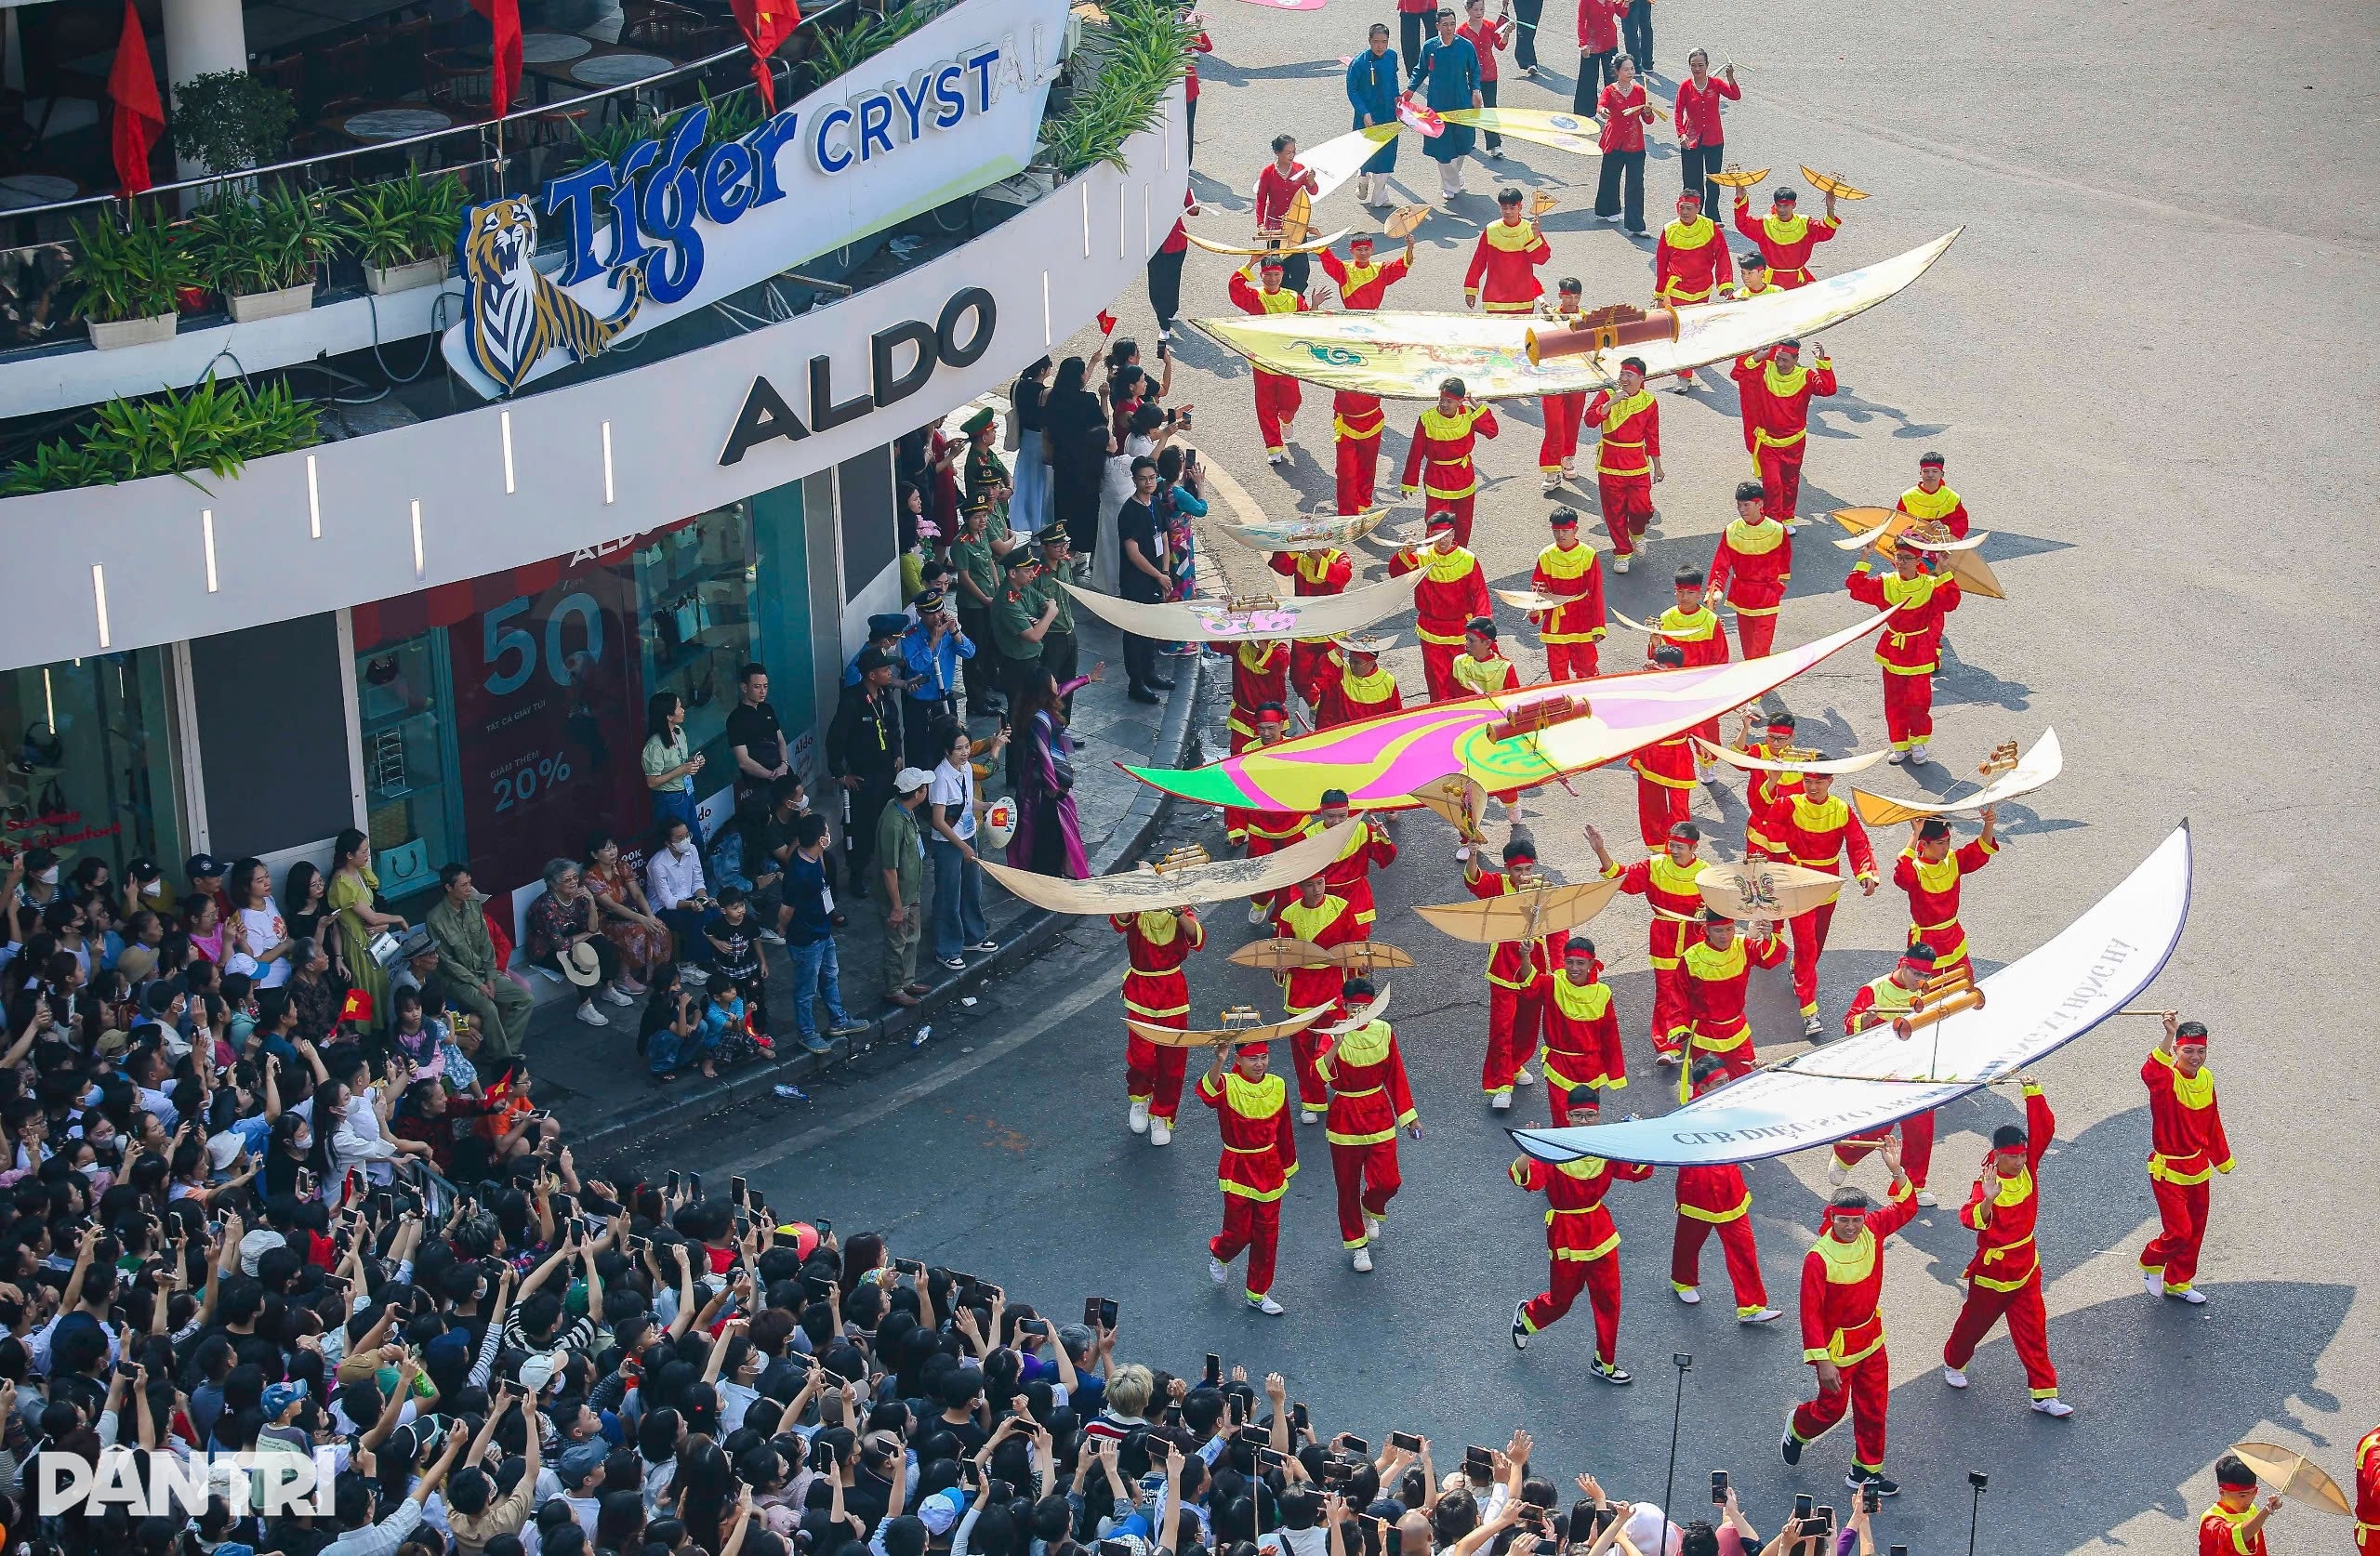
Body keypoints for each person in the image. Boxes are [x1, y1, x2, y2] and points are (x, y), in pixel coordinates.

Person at [1782, 1137, 1918, 1497]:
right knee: (1831, 1411)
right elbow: (1809, 1313)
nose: (1852, 1227)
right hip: (1837, 1348)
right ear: (1832, 1217)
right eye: (1844, 1220)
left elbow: (1906, 1207)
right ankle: (1798, 1426)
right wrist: (1821, 1361)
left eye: (1856, 1220)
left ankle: (1865, 1471)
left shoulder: (1872, 1229)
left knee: (1874, 1406)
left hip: (1871, 1337)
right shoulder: (1818, 1257)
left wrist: (1896, 1170)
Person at [1941, 1077, 2072, 1416]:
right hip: (1994, 1272)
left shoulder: (2030, 1168)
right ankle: (1954, 1361)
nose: (2021, 1161)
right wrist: (1988, 1202)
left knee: (2034, 1330)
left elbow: (2044, 1127)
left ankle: (2043, 1394)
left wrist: (2033, 1091)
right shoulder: (1986, 1182)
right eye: (2013, 1157)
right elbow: (1969, 1218)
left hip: (2026, 1264)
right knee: (1974, 1323)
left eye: (2024, 1154)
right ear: (1998, 1155)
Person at [1506, 1106, 1653, 1378]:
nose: (1584, 1120)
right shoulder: (1552, 1149)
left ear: (1598, 1116)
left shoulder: (1605, 1146)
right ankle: (1527, 1317)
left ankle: (1604, 1362)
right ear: (1568, 1117)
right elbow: (1525, 1180)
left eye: (1590, 1115)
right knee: (1562, 1300)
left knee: (1610, 1299)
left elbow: (1636, 1172)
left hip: (1600, 1230)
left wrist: (1640, 1138)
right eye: (1577, 1115)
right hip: (1566, 1232)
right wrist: (1529, 1151)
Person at [1756, 765, 1879, 1036]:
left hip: (1827, 884)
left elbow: (1858, 843)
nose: (1812, 787)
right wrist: (1781, 872)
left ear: (1830, 781)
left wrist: (1865, 873)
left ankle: (1799, 970)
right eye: (1807, 781)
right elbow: (1767, 826)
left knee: (1815, 942)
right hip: (1798, 884)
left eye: (1818, 782)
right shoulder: (1788, 804)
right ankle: (1809, 1010)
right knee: (1808, 945)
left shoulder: (1842, 809)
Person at [1670, 1054, 1783, 1323]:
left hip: (1730, 1187)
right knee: (1689, 1242)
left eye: (1727, 1080)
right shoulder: (1689, 1114)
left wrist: (1760, 1077)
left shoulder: (1731, 1101)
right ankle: (1682, 1281)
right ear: (1704, 1088)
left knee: (1744, 1248)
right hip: (1698, 1188)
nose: (1727, 1085)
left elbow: (1763, 1110)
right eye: (1720, 1083)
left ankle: (1751, 1306)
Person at [1316, 976, 1419, 1272]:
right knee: (1346, 1187)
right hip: (1345, 1117)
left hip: (1378, 1114)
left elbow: (1396, 1075)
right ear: (1344, 1005)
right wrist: (1336, 1042)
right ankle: (1357, 1246)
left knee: (1389, 1181)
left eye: (1364, 1007)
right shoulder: (1332, 1032)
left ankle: (1370, 1208)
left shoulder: (1384, 1031)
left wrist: (1409, 1118)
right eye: (1353, 1007)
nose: (1358, 1012)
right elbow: (1320, 1075)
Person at [1829, 943, 1945, 1199]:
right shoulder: (1874, 990)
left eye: (1927, 976)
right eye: (1917, 974)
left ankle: (1910, 1188)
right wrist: (1866, 1019)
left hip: (1916, 1068)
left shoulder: (1928, 991)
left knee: (1921, 1129)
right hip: (1882, 1067)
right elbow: (1849, 1024)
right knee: (1880, 1127)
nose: (1922, 981)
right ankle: (1844, 1155)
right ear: (1903, 966)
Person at [1586, 818, 1705, 1062]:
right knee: (1666, 991)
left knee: (1696, 989)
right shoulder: (1655, 865)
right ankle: (1667, 1046)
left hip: (1695, 938)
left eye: (1679, 847)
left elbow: (1720, 904)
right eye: (1671, 845)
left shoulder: (1706, 872)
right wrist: (1600, 850)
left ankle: (1698, 1041)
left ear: (1694, 849)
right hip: (1664, 936)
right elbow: (1624, 879)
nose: (1673, 851)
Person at [2139, 1012, 2233, 1305]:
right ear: (2176, 1051)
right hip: (2169, 1169)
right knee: (2180, 1231)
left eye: (2201, 1051)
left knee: (2196, 1229)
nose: (2195, 1057)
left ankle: (2179, 1281)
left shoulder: (2206, 1078)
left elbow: (2212, 1120)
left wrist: (2221, 1157)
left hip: (2198, 1167)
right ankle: (2152, 1262)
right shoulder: (2167, 1080)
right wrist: (2169, 1034)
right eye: (2188, 1050)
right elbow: (2150, 1072)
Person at [1199, 1037, 1298, 1315]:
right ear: (1239, 1060)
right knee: (1239, 1233)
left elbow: (1285, 1128)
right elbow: (1208, 1095)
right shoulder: (1228, 1083)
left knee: (1267, 1236)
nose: (1260, 1064)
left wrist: (1287, 1165)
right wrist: (1218, 1060)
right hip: (1238, 1166)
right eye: (1253, 1059)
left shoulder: (1277, 1084)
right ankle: (1220, 1253)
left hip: (1269, 1167)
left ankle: (1258, 1292)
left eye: (1264, 1057)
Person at [1318, 230, 1414, 511]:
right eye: (1359, 249)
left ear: (1372, 250)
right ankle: (1348, 508)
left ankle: (1364, 501)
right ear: (1352, 251)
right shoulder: (1345, 271)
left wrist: (1409, 247)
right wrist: (1319, 239)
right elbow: (1328, 260)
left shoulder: (1379, 270)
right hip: (1350, 331)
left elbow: (1402, 266)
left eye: (1367, 249)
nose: (1363, 253)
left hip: (1373, 332)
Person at [1463, 834, 1560, 1109]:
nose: (1523, 875)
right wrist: (1472, 855)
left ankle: (1516, 1065)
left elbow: (1556, 927)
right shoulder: (1497, 884)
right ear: (1507, 868)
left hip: (1535, 965)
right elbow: (1475, 881)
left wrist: (1560, 966)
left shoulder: (1544, 888)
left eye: (1528, 869)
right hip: (1504, 967)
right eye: (1517, 870)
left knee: (1528, 1025)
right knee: (1502, 1028)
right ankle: (1500, 1085)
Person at [1845, 530, 1959, 762]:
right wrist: (1866, 555)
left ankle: (1918, 743)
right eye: (1899, 557)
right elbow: (1856, 588)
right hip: (1894, 648)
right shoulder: (1886, 582)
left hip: (1920, 650)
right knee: (1894, 700)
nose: (1901, 562)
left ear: (1919, 562)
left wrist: (1944, 568)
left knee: (1919, 701)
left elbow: (1951, 602)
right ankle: (1899, 744)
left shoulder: (1929, 585)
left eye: (1907, 558)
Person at [1273, 874, 1363, 1118]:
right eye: (1310, 885)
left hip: (1334, 988)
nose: (1316, 890)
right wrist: (1279, 966)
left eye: (1320, 883)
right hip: (1300, 992)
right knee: (1303, 1051)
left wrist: (1360, 966)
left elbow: (1354, 946)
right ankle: (1311, 1101)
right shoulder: (1288, 915)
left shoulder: (1341, 908)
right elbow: (1282, 952)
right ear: (1300, 887)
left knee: (1337, 1041)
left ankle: (1339, 1085)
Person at [1115, 902, 1205, 1147]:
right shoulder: (1136, 909)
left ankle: (1162, 1115)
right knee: (1141, 1056)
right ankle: (1140, 1097)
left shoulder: (1181, 910)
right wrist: (1135, 892)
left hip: (1172, 992)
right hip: (1141, 991)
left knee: (1172, 1060)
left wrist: (1176, 911)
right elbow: (1119, 919)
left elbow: (1197, 938)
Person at [425, 864, 534, 1062]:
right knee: (489, 1008)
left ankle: (504, 1050)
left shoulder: (474, 904)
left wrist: (491, 977)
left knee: (525, 998)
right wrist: (478, 984)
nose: (469, 889)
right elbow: (448, 963)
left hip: (483, 974)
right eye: (464, 885)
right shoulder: (435, 919)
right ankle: (505, 1058)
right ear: (449, 888)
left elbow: (486, 946)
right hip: (458, 980)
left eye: (470, 884)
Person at [784, 812, 867, 1054]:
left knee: (830, 976)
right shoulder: (798, 872)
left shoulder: (815, 860)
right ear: (820, 839)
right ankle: (807, 1032)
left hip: (822, 931)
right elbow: (786, 910)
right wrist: (783, 929)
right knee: (806, 989)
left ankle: (838, 1021)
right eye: (826, 832)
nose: (830, 835)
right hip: (806, 939)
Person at [1732, 336, 1836, 529]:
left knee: (1790, 483)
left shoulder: (1806, 376)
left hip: (1794, 443)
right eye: (1777, 358)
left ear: (1796, 359)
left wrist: (1822, 362)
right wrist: (1756, 358)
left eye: (1785, 360)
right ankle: (1773, 523)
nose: (1779, 363)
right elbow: (1738, 374)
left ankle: (1787, 518)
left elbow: (1828, 389)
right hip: (1768, 443)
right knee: (1772, 485)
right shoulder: (1765, 369)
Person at [1677, 911, 1784, 1096]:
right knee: (1708, 1090)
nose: (1725, 936)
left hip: (1737, 1031)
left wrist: (1768, 936)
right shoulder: (1692, 958)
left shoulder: (1742, 946)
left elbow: (1771, 960)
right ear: (1706, 930)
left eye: (1729, 929)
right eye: (1718, 930)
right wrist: (1677, 1026)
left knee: (1748, 1082)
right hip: (1706, 1035)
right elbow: (1676, 995)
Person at [926, 718, 1002, 972]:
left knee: (972, 888)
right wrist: (962, 846)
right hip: (950, 844)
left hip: (968, 836)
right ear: (947, 751)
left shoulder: (967, 769)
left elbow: (968, 803)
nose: (965, 752)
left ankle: (973, 937)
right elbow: (938, 821)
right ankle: (946, 949)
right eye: (959, 748)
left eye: (967, 747)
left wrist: (988, 807)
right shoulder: (940, 777)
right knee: (949, 894)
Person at [828, 647, 905, 896]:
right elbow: (836, 738)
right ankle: (857, 873)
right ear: (872, 675)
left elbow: (893, 727)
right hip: (863, 776)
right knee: (860, 827)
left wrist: (897, 754)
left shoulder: (885, 696)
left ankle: (889, 867)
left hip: (886, 773)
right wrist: (840, 774)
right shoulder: (852, 700)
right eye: (884, 669)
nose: (889, 672)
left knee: (889, 821)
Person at [1009, 666, 1095, 879]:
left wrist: (1087, 679)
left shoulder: (1039, 708)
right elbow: (1044, 754)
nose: (1057, 683)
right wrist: (1054, 788)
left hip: (1040, 780)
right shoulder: (1041, 718)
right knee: (1049, 828)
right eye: (1053, 681)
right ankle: (1052, 869)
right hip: (1043, 786)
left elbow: (1064, 689)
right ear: (1044, 689)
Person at [530, 857, 637, 1026]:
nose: (573, 882)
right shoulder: (545, 906)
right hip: (548, 950)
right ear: (554, 884)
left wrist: (592, 902)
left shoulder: (579, 896)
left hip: (575, 937)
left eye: (574, 877)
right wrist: (588, 934)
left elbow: (593, 928)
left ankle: (609, 987)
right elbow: (559, 944)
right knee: (578, 960)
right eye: (567, 880)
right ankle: (585, 1006)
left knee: (606, 946)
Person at [1227, 254, 1312, 464]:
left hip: (1286, 362)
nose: (1272, 279)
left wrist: (1316, 306)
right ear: (1261, 276)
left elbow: (1308, 324)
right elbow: (1234, 286)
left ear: (1282, 275)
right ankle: (1273, 447)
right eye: (1267, 275)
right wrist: (1251, 261)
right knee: (1265, 407)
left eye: (1276, 274)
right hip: (1262, 362)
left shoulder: (1294, 298)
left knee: (1292, 402)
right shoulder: (1255, 297)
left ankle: (1287, 419)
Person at [1397, 380, 1500, 548]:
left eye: (1449, 401)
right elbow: (1415, 453)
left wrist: (1479, 409)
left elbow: (1492, 432)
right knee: (1436, 523)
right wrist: (1409, 481)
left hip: (1463, 477)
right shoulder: (1427, 419)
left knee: (1463, 524)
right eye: (1441, 399)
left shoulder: (1468, 415)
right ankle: (1432, 558)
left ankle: (1458, 558)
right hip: (1437, 478)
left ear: (1461, 401)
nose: (1444, 404)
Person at [1584, 356, 1662, 568]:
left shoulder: (1648, 402)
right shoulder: (1607, 395)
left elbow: (1652, 436)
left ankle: (1637, 533)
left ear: (1641, 378)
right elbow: (1590, 420)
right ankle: (1622, 553)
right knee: (1614, 511)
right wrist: (1611, 403)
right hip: (1610, 462)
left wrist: (1657, 466)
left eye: (1629, 375)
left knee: (1642, 509)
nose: (1624, 378)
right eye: (1622, 374)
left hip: (1637, 463)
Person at [327, 828, 404, 1035]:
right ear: (349, 855)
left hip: (375, 943)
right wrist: (397, 919)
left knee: (380, 992)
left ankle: (383, 1033)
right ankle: (365, 1038)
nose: (367, 855)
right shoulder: (341, 884)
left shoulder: (360, 873)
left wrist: (384, 925)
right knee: (363, 995)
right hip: (359, 949)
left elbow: (374, 913)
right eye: (363, 851)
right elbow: (370, 917)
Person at [1705, 477, 1793, 657]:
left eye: (1746, 505)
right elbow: (1721, 564)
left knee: (1760, 651)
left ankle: (1761, 683)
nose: (1741, 510)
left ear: (1759, 504)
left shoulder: (1777, 530)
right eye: (1739, 505)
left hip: (1767, 596)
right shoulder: (1732, 530)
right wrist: (1716, 589)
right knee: (1748, 648)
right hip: (1742, 596)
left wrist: (1779, 588)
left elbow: (1784, 563)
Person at [1654, 191, 1733, 391]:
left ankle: (1692, 359)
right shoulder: (1669, 229)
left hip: (1702, 288)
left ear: (1698, 209)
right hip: (1677, 290)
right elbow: (1662, 263)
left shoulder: (1710, 227)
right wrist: (1660, 294)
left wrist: (1726, 284)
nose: (1685, 212)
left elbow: (1722, 255)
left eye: (1689, 208)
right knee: (1683, 331)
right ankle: (1684, 376)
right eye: (1682, 207)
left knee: (1696, 328)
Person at [1540, 935, 1623, 1121]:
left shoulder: (1602, 993)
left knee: (1585, 1120)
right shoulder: (1554, 983)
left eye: (1580, 963)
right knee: (1561, 1118)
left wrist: (1615, 1072)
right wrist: (1525, 956)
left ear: (1591, 963)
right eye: (1569, 962)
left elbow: (1610, 1036)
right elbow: (1530, 987)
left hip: (1590, 1068)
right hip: (1559, 1064)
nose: (1574, 968)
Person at [1265, 543, 1351, 715]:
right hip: (1305, 629)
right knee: (1299, 678)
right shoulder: (1301, 557)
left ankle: (1332, 712)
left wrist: (1319, 559)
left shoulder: (1340, 557)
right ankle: (1316, 705)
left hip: (1330, 630)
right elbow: (1280, 566)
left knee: (1331, 676)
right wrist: (1292, 545)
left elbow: (1342, 577)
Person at [1115, 459, 1173, 704]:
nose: (1148, 482)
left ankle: (1150, 672)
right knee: (1135, 631)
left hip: (1157, 576)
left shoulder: (1157, 504)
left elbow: (1164, 538)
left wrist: (1166, 572)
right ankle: (1136, 681)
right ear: (1135, 480)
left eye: (1151, 478)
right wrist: (1158, 574)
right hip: (1136, 580)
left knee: (1151, 627)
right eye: (1143, 478)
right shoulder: (1129, 511)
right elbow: (1133, 552)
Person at [898, 590, 974, 771]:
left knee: (950, 750)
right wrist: (933, 640)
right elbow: (915, 664)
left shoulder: (949, 631)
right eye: (931, 613)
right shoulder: (911, 635)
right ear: (919, 613)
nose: (937, 617)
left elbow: (969, 652)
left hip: (945, 699)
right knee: (920, 753)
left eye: (939, 611)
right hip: (920, 704)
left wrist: (954, 631)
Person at [1410, 8, 1483, 201]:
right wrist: (1410, 90)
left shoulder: (1465, 46)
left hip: (1461, 101)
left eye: (1452, 24)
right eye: (1445, 25)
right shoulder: (1430, 47)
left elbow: (1475, 70)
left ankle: (1454, 176)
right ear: (1437, 27)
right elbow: (1420, 70)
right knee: (1442, 147)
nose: (1450, 28)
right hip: (1438, 103)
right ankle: (1450, 185)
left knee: (1463, 143)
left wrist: (1476, 90)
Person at [1297, 787, 1397, 927]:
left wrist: (1383, 840)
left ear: (1348, 811)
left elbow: (1385, 860)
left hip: (1356, 897)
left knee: (1357, 946)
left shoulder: (1363, 829)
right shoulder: (1308, 836)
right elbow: (1300, 876)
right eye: (1331, 816)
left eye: (1342, 816)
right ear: (1321, 812)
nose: (1337, 821)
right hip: (1323, 897)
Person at [875, 769, 932, 1009]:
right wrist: (897, 907)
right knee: (896, 942)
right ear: (917, 793)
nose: (926, 791)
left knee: (911, 938)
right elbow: (889, 869)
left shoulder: (905, 811)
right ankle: (894, 988)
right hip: (898, 897)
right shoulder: (893, 822)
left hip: (911, 890)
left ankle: (907, 981)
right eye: (924, 788)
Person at [584, 831, 668, 991]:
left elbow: (636, 893)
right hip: (603, 920)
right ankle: (622, 978)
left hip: (627, 914)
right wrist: (642, 919)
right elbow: (612, 906)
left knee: (658, 926)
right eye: (607, 849)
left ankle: (651, 971)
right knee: (637, 931)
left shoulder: (622, 866)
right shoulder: (591, 877)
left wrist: (649, 915)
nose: (613, 851)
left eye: (613, 846)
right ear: (595, 854)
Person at [990, 547, 1059, 742]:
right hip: (1016, 665)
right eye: (1027, 571)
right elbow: (1035, 635)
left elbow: (1047, 601)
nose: (1032, 574)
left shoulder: (1024, 589)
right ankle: (1017, 768)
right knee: (1018, 722)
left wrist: (1047, 611)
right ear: (1013, 573)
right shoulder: (1007, 601)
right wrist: (1050, 615)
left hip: (1032, 659)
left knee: (1033, 714)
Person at [1531, 507, 1606, 679]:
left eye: (1565, 530)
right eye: (1556, 531)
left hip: (1582, 619)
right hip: (1556, 621)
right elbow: (1539, 592)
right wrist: (1537, 611)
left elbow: (1595, 592)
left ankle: (1591, 703)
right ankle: (1562, 704)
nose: (1560, 536)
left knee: (1587, 669)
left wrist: (1598, 626)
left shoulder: (1588, 554)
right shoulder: (1546, 555)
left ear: (1575, 530)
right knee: (1557, 673)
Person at [949, 499, 1007, 719]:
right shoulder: (961, 543)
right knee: (974, 652)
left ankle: (984, 690)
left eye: (984, 516)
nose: (983, 521)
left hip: (989, 599)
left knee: (988, 647)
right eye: (977, 517)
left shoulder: (981, 535)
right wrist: (985, 598)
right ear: (966, 519)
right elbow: (963, 577)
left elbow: (991, 561)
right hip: (973, 605)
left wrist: (998, 587)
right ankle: (975, 700)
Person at [1593, 56, 1658, 234]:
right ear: (1617, 72)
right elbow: (1601, 106)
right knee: (1610, 177)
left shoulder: (1640, 90)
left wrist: (1648, 112)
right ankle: (1609, 209)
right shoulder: (1609, 90)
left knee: (1636, 184)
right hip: (1614, 140)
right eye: (1626, 69)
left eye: (1632, 69)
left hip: (1635, 142)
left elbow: (1648, 120)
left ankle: (1636, 224)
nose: (1630, 72)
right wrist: (1603, 111)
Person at [1731, 183, 1840, 287]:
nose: (1782, 210)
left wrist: (1830, 208)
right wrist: (1742, 198)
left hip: (1799, 280)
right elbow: (1742, 223)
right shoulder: (1765, 224)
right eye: (1779, 205)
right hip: (1772, 281)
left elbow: (1827, 231)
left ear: (1794, 205)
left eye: (1786, 206)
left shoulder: (1805, 223)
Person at [1252, 133, 1322, 294]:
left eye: (1293, 152)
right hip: (1275, 229)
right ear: (1278, 153)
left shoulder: (1300, 170)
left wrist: (1311, 181)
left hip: (1296, 226)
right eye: (1288, 152)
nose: (1292, 155)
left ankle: (1296, 297)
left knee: (1301, 268)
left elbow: (1313, 191)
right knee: (1277, 266)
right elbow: (1261, 200)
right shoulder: (1267, 173)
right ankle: (1279, 296)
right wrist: (1260, 224)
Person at [1464, 188, 1554, 311]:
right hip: (1495, 297)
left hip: (1523, 296)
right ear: (1499, 208)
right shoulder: (1491, 229)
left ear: (1520, 207)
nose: (1508, 212)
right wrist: (1471, 289)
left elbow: (1542, 259)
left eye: (1512, 207)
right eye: (1504, 208)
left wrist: (1535, 236)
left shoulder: (1530, 228)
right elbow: (1479, 261)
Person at [646, 816, 716, 972]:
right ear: (668, 842)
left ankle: (713, 954)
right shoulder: (658, 864)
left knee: (715, 911)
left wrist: (704, 899)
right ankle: (690, 963)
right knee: (700, 917)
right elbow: (668, 901)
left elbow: (698, 881)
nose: (685, 840)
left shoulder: (692, 850)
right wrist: (692, 904)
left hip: (689, 899)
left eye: (687, 835)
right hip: (664, 909)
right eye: (680, 838)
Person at [1673, 52, 1739, 216]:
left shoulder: (1715, 83)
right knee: (1691, 180)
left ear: (1707, 65)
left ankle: (1712, 213)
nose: (1697, 69)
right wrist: (1681, 134)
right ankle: (1694, 212)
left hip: (1714, 138)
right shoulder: (1685, 86)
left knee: (1713, 179)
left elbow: (1735, 96)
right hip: (1691, 139)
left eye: (1700, 65)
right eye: (1693, 65)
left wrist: (1730, 78)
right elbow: (1678, 112)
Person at [1344, 25, 1403, 206]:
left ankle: (1379, 196)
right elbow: (1352, 90)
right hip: (1368, 119)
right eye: (1376, 42)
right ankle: (1362, 178)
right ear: (1369, 41)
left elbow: (1393, 81)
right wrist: (1364, 112)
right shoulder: (1359, 63)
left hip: (1388, 116)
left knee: (1386, 156)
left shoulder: (1391, 56)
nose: (1380, 46)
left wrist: (1399, 103)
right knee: (1367, 156)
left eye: (1384, 42)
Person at [225, 858, 295, 990]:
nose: (267, 883)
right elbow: (256, 961)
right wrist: (286, 945)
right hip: (271, 984)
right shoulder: (248, 919)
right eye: (260, 881)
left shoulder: (268, 899)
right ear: (245, 887)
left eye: (267, 876)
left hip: (287, 973)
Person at [1456, 0, 1514, 152]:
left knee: (1490, 108)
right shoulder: (1461, 31)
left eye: (1482, 9)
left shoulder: (1489, 26)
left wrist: (1506, 33)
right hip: (1470, 76)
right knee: (1470, 108)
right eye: (1475, 10)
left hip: (1489, 73)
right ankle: (1467, 140)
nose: (1479, 13)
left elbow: (1500, 46)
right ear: (1468, 10)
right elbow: (1458, 55)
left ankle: (1494, 144)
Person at [1317, 634, 1406, 727]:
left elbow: (1396, 715)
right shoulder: (1341, 674)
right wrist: (1338, 649)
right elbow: (1321, 676)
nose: (1351, 665)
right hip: (1344, 735)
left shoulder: (1387, 681)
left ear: (1371, 663)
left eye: (1356, 662)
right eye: (1350, 660)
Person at [1008, 358, 1053, 534]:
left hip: (1025, 437)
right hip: (1040, 439)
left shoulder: (1017, 386)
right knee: (1041, 485)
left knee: (1026, 481)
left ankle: (1028, 522)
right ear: (1043, 370)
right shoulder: (1043, 392)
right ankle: (1040, 525)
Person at [2201, 1457, 2282, 1556]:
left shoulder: (2250, 1509)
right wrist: (2266, 1511)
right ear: (2222, 1492)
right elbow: (2240, 1536)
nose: (2250, 1500)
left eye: (2253, 1492)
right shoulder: (2210, 1522)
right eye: (2242, 1495)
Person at [1227, 637, 1291, 755]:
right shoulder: (1239, 645)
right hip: (1243, 719)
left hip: (1272, 719)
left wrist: (1260, 640)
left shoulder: (1281, 649)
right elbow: (1216, 643)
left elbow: (1280, 665)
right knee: (1238, 761)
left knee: (1274, 758)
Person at [1895, 449, 1971, 537]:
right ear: (1920, 473)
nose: (1930, 475)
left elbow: (1962, 523)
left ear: (1942, 474)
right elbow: (1898, 523)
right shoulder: (1907, 496)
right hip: (1912, 541)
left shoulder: (1952, 497)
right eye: (1926, 471)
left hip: (1941, 541)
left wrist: (1945, 528)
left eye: (1935, 471)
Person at [1573, 0, 1628, 115]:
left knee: (1613, 78)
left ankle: (1614, 111)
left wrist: (1625, 3)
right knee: (1588, 79)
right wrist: (1583, 43)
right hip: (1591, 43)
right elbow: (1581, 21)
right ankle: (1585, 112)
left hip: (1609, 42)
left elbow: (1622, 13)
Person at [1450, 615, 1521, 695]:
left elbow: (1514, 698)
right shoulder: (1459, 661)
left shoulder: (1504, 668)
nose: (1466, 644)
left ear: (1487, 643)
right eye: (1466, 639)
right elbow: (1452, 694)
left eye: (1472, 641)